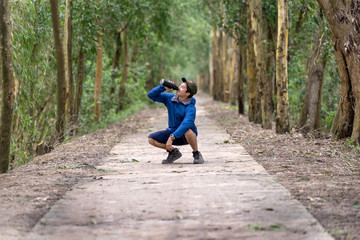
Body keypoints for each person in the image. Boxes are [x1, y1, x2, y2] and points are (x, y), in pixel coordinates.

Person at [147, 77, 204, 164]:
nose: (179, 87)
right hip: (172, 132)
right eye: (180, 85)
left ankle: (196, 153)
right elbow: (151, 95)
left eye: (182, 87)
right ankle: (173, 152)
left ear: (188, 93)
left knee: (188, 130)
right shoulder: (170, 98)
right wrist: (163, 88)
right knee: (151, 139)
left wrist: (172, 137)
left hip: (186, 136)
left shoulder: (190, 107)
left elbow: (186, 123)